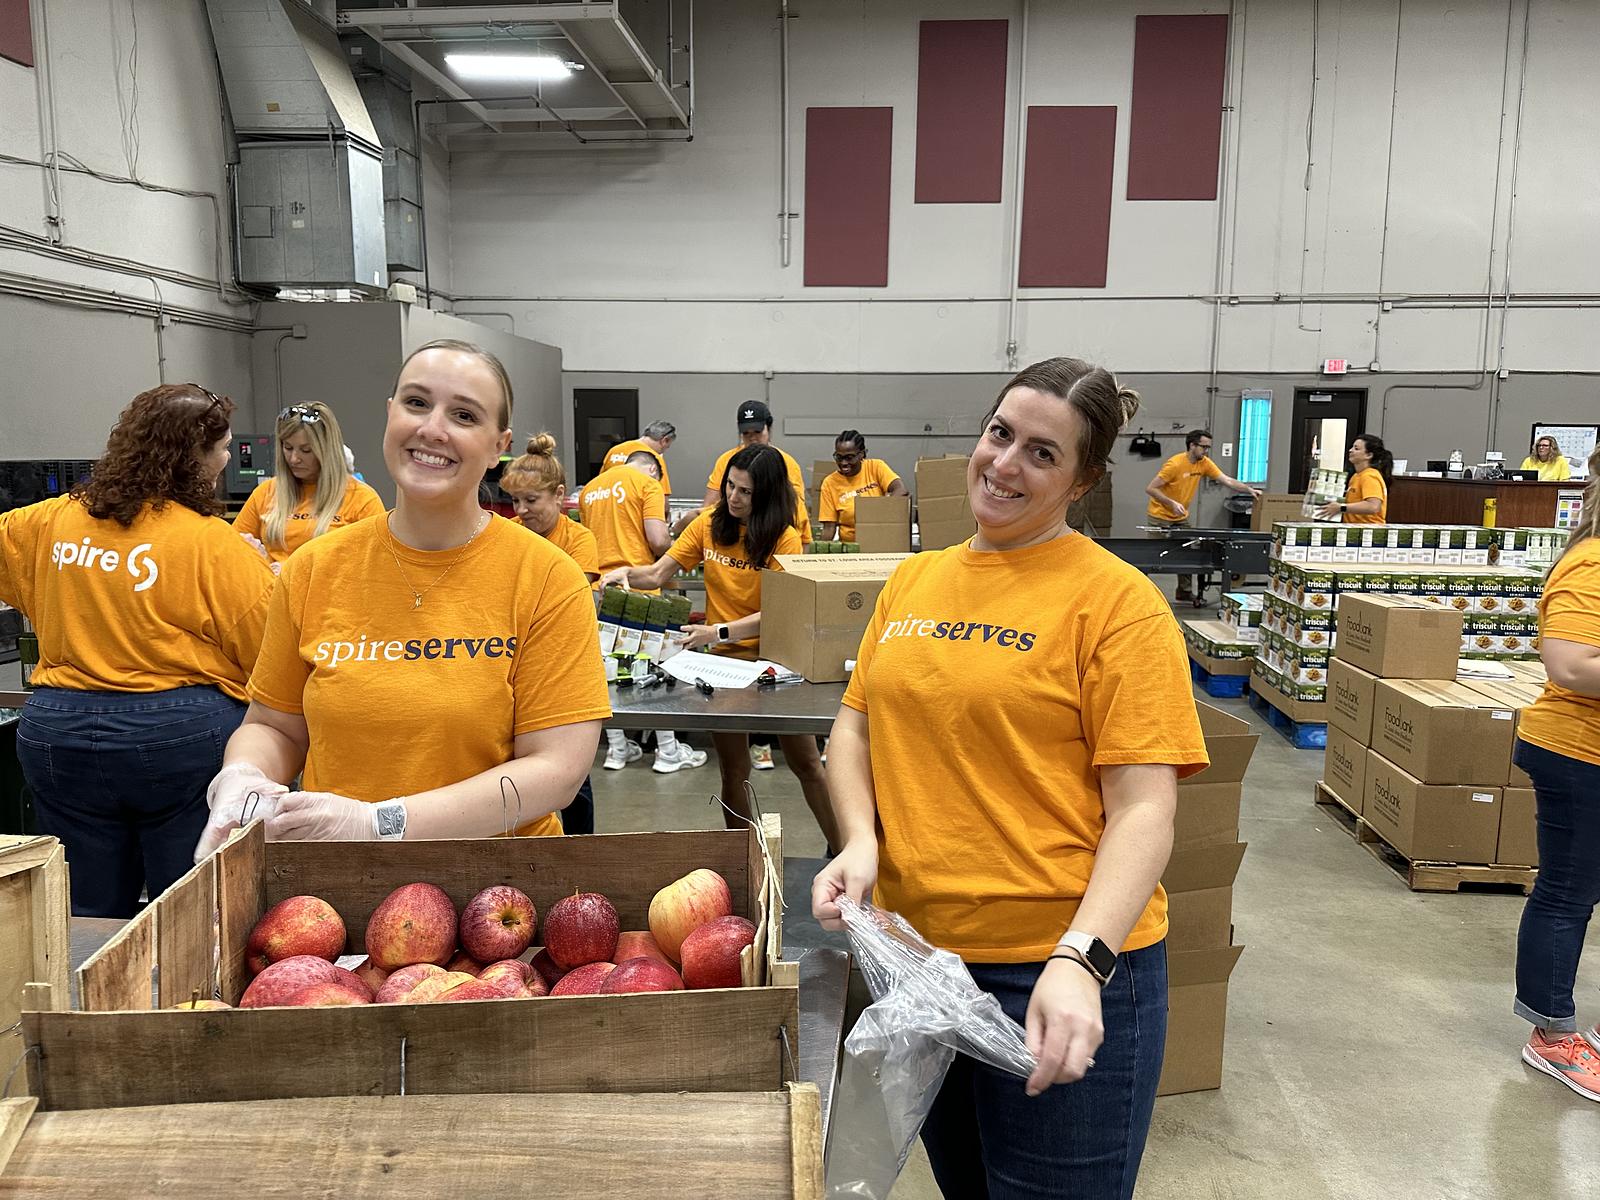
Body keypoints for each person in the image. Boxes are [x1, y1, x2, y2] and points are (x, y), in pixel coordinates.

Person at [813, 357, 1209, 1198]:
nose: (1005, 464)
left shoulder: (1118, 605)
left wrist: (1083, 958)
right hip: (924, 965)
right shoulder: (914, 581)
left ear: (1083, 480)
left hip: (1055, 970)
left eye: (1042, 453)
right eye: (1000, 434)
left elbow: (1144, 810)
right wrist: (860, 840)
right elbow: (857, 724)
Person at [193, 340, 610, 859]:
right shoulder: (315, 569)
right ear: (390, 414)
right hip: (341, 882)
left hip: (499, 892)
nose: (432, 428)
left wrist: (379, 822)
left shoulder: (547, 577)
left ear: (498, 444)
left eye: (463, 414)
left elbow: (557, 771)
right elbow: (274, 725)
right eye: (416, 403)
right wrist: (244, 775)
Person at [0, 385, 275, 916]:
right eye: (220, 449)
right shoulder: (213, 545)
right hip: (179, 739)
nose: (224, 461)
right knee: (189, 913)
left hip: (59, 734)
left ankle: (87, 994)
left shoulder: (51, 521)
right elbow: (270, 657)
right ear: (191, 457)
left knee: (84, 919)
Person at [599, 445, 838, 850]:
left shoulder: (784, 538)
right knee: (733, 768)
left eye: (745, 491)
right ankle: (744, 856)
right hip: (723, 669)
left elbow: (778, 613)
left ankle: (840, 849)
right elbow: (659, 571)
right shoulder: (709, 525)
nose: (733, 497)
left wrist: (716, 632)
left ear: (766, 495)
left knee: (807, 764)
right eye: (730, 486)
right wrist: (624, 574)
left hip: (778, 663)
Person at [1511, 445, 1600, 1101]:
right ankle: (1550, 1035)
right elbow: (1568, 664)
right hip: (1576, 753)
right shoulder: (1591, 563)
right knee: (1567, 892)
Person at [502, 433, 604, 834]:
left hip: (561, 672)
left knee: (571, 778)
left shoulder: (579, 541)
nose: (522, 511)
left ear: (559, 495)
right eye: (515, 501)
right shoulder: (509, 535)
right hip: (513, 668)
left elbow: (578, 609)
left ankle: (582, 853)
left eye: (532, 501)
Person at [580, 451, 705, 776]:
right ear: (654, 469)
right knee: (652, 672)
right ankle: (667, 752)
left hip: (600, 589)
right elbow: (658, 539)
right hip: (640, 590)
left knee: (611, 672)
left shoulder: (591, 489)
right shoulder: (647, 484)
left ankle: (618, 751)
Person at [233, 401, 385, 567]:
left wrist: (296, 571)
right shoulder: (266, 492)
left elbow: (374, 565)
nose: (294, 459)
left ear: (327, 450)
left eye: (306, 450)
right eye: (288, 447)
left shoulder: (362, 500)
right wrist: (256, 559)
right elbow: (232, 547)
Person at [1145, 429, 1261, 605]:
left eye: (1208, 447)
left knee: (1187, 552)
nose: (1206, 451)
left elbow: (1227, 480)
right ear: (1192, 445)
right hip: (1159, 516)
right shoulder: (1175, 465)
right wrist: (1171, 503)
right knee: (1151, 556)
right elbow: (1151, 488)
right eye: (1204, 447)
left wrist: (1249, 490)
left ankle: (1183, 592)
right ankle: (1143, 593)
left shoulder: (1204, 463)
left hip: (1181, 517)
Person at [819, 430, 907, 542]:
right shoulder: (829, 483)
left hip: (879, 540)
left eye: (849, 457)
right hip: (850, 547)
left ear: (862, 454)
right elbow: (829, 528)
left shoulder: (876, 467)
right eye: (839, 457)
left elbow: (900, 490)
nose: (844, 463)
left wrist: (878, 514)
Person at [1316, 433, 1392, 525]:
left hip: (1368, 531)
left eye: (1356, 449)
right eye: (1352, 447)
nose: (1350, 450)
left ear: (1368, 455)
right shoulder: (1356, 476)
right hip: (1353, 528)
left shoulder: (1370, 476)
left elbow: (1373, 506)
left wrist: (1341, 507)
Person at [604, 420, 677, 493]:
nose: (662, 452)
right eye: (667, 447)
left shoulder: (614, 451)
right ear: (664, 440)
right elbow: (662, 495)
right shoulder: (654, 459)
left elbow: (601, 482)